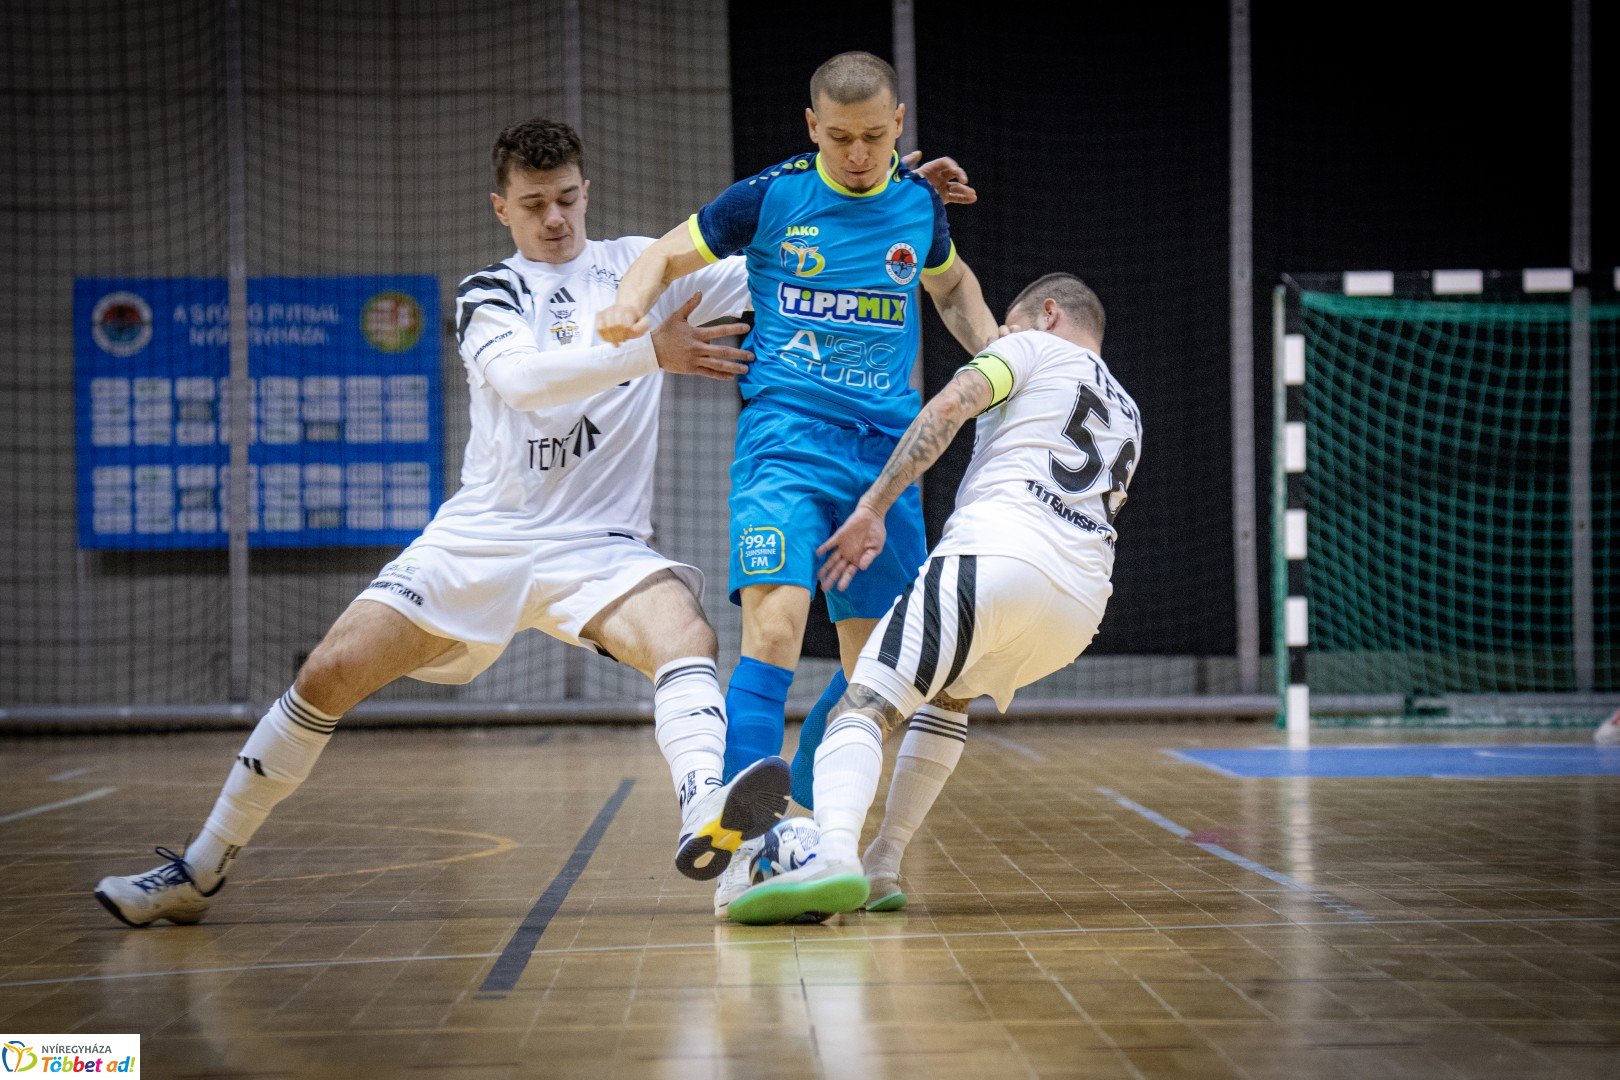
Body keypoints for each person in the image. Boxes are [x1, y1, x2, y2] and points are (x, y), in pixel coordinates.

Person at [93, 116, 791, 927]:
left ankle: (707, 811)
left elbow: (788, 267)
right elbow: (526, 383)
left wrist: (879, 201)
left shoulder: (642, 267)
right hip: (482, 539)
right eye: (534, 204)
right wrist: (648, 352)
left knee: (687, 637)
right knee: (327, 672)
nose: (555, 218)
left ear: (586, 190)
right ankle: (200, 868)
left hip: (599, 546)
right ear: (501, 208)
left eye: (567, 198)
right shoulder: (488, 292)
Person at [596, 52, 999, 912]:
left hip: (886, 463)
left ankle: (812, 834)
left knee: (878, 674)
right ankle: (744, 853)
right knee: (774, 630)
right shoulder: (770, 198)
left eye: (874, 137)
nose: (857, 154)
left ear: (898, 124)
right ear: (813, 126)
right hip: (784, 444)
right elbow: (666, 253)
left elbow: (952, 285)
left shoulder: (920, 203)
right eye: (840, 137)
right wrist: (630, 303)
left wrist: (1005, 357)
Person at [725, 273, 1143, 925]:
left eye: (1007, 324)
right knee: (949, 696)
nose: (998, 336)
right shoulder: (1127, 406)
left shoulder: (1029, 348)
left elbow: (948, 407)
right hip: (1080, 607)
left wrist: (872, 507)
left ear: (1048, 314)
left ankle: (833, 855)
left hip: (1000, 557)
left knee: (863, 704)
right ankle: (883, 862)